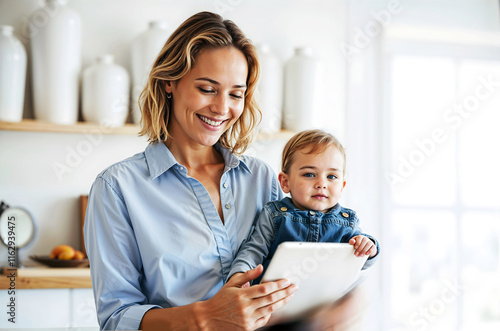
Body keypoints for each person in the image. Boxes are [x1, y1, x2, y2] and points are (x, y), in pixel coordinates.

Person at [84, 11, 298, 331]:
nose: (222, 108)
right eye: (207, 88)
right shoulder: (117, 188)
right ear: (170, 81)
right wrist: (206, 318)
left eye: (236, 94)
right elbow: (117, 318)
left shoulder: (263, 179)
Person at [228, 129, 380, 284]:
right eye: (309, 174)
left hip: (325, 300)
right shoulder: (275, 215)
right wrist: (241, 274)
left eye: (332, 177)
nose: (321, 184)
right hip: (277, 298)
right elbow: (254, 250)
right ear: (285, 182)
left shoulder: (347, 221)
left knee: (359, 293)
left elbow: (362, 259)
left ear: (342, 186)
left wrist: (369, 246)